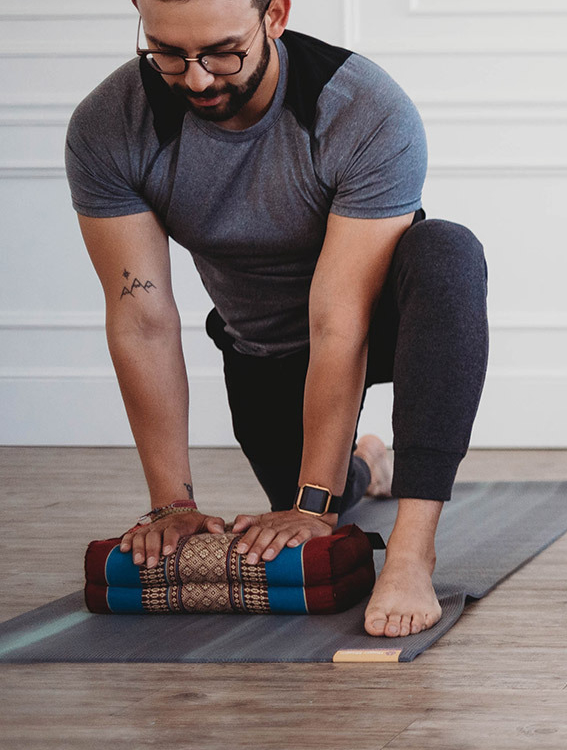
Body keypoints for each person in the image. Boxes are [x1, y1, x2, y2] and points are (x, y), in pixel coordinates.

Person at [66, 0, 488, 638]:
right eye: (169, 54)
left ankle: (411, 549)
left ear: (276, 15)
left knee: (448, 254)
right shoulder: (110, 125)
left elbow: (338, 317)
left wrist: (311, 507)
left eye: (221, 51)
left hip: (375, 318)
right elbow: (141, 318)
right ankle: (366, 464)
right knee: (314, 506)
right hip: (266, 352)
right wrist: (170, 506)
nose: (198, 79)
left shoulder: (362, 108)